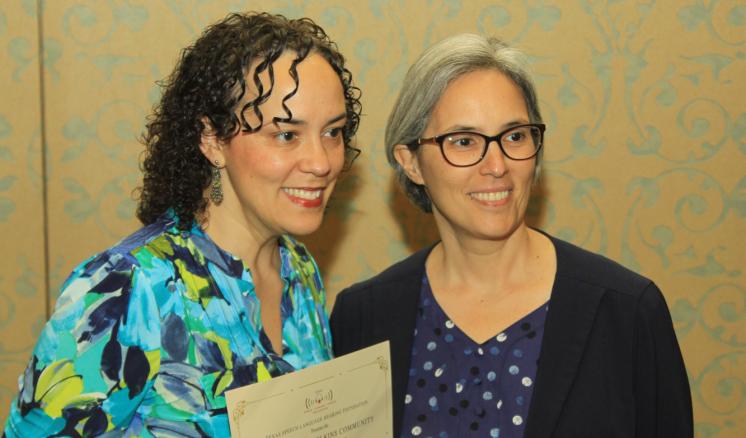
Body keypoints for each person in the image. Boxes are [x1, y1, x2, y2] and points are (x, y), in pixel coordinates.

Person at [4, 12, 361, 437]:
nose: (322, 162)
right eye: (286, 135)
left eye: (333, 132)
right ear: (212, 139)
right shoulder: (128, 289)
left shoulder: (298, 270)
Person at [330, 34, 692, 438]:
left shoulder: (626, 312)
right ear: (411, 162)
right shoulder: (363, 317)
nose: (497, 165)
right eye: (464, 141)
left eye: (515, 136)